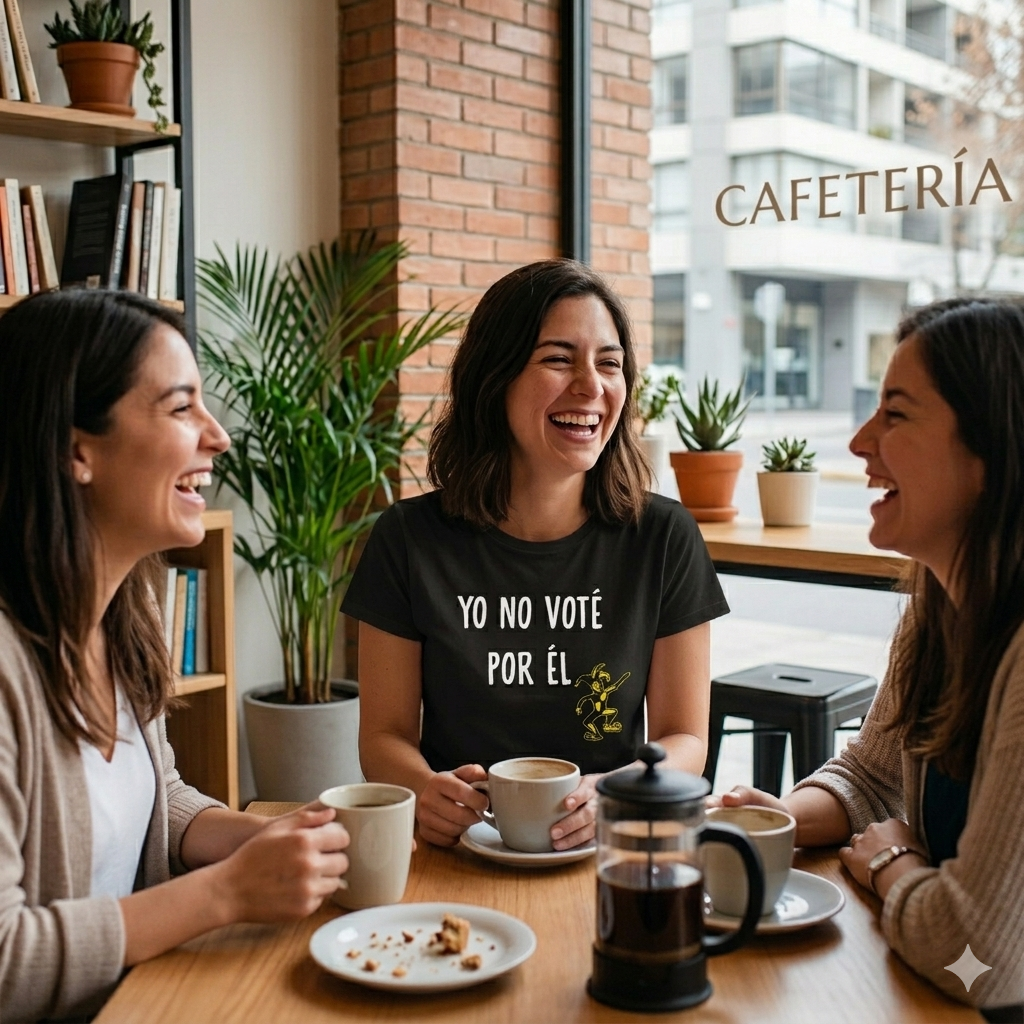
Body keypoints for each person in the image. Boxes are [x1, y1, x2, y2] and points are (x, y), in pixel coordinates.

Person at [0, 291, 350, 1023]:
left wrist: (263, 838)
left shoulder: (128, 614)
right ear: (75, 450)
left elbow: (160, 796)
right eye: (181, 407)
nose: (218, 437)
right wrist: (224, 893)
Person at [344, 260, 729, 851]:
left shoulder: (663, 536)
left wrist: (620, 791)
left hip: (610, 849)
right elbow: (384, 735)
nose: (592, 386)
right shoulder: (408, 538)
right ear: (493, 377)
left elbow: (685, 740)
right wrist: (423, 788)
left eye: (609, 363)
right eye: (558, 358)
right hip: (461, 847)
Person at [712, 298, 1024, 1018]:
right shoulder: (937, 614)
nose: (858, 441)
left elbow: (984, 963)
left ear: (990, 452)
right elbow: (869, 777)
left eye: (896, 414)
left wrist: (892, 865)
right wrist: (776, 821)